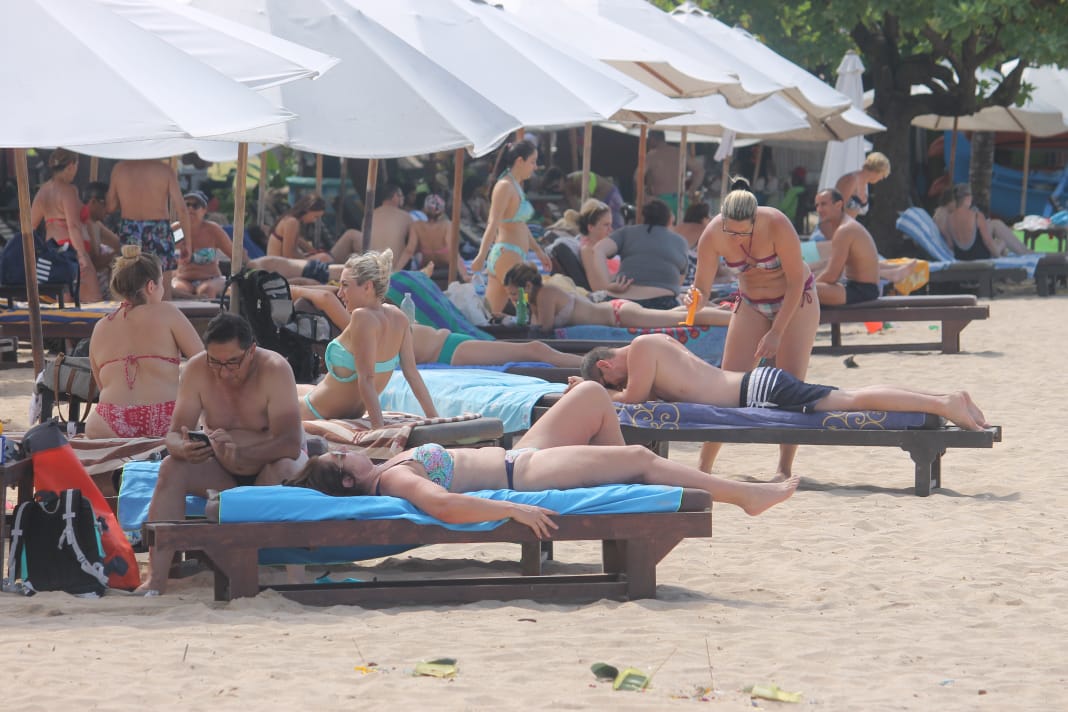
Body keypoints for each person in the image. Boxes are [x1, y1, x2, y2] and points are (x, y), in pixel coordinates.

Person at [285, 380, 800, 537]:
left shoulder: (381, 466)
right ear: (350, 483)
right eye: (341, 461)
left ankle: (628, 498)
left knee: (594, 395)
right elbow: (445, 506)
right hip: (526, 472)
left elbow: (313, 442)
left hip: (521, 455)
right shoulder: (394, 485)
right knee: (641, 455)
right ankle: (745, 496)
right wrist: (511, 509)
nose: (345, 454)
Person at [135, 312, 308, 595]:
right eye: (215, 362)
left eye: (233, 362)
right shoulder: (196, 370)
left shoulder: (275, 369)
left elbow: (289, 442)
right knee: (170, 467)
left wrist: (243, 453)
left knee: (288, 469)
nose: (224, 372)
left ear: (251, 350)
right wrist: (184, 448)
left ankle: (295, 577)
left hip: (269, 470)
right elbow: (174, 434)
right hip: (220, 470)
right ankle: (156, 579)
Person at [576, 334, 989, 431]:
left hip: (757, 391)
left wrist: (591, 394)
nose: (614, 384)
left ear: (606, 368)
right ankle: (942, 398)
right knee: (848, 396)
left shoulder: (642, 347)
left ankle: (943, 403)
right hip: (757, 386)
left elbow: (632, 398)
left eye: (606, 381)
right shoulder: (655, 346)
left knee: (851, 399)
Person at [690, 177, 820, 479]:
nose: (735, 238)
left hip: (795, 298)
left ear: (754, 219)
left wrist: (777, 332)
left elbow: (795, 280)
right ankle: (703, 466)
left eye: (742, 232)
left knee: (790, 382)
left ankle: (784, 467)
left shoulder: (776, 223)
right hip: (751, 302)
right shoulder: (712, 235)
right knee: (726, 384)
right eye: (730, 231)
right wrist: (693, 299)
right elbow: (701, 289)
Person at [297, 250, 438, 427]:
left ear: (367, 287)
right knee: (296, 387)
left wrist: (378, 430)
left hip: (314, 411)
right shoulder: (399, 317)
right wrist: (434, 418)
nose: (340, 293)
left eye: (345, 285)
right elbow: (412, 374)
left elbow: (366, 379)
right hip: (327, 403)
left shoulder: (362, 317)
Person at [287, 283, 582, 368]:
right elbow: (326, 296)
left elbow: (326, 291)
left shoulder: (366, 314)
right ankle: (591, 367)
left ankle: (592, 365)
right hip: (447, 352)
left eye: (345, 288)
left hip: (448, 343)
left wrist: (296, 287)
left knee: (534, 350)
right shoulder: (357, 324)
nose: (341, 294)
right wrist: (294, 290)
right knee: (533, 350)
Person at [85, 246, 204, 439]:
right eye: (161, 283)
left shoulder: (101, 326)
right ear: (151, 286)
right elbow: (202, 361)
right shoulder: (167, 312)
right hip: (164, 416)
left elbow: (100, 383)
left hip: (109, 421)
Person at [504, 263, 731, 331]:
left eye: (516, 294)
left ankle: (732, 319)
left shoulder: (546, 293)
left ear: (527, 286)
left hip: (617, 314)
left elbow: (543, 328)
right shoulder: (536, 299)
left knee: (680, 320)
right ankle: (724, 311)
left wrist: (519, 311)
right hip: (616, 310)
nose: (514, 300)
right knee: (673, 314)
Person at [470, 141, 553, 313]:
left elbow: (520, 224)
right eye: (532, 161)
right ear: (520, 161)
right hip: (507, 255)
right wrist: (480, 256)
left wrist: (538, 250)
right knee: (525, 308)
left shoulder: (515, 186)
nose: (535, 167)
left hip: (509, 255)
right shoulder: (505, 186)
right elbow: (492, 223)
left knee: (491, 313)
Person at [106, 158, 192, 300]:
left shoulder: (120, 168)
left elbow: (110, 206)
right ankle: (161, 320)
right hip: (158, 229)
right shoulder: (165, 170)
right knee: (162, 287)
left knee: (128, 284)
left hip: (131, 228)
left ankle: (127, 320)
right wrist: (188, 243)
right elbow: (182, 209)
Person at [586, 199, 689, 309]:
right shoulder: (680, 241)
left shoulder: (626, 232)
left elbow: (598, 249)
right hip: (663, 304)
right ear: (669, 221)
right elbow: (678, 282)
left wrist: (607, 285)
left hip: (621, 302)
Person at [28, 149, 101, 303]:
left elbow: (30, 227)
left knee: (62, 307)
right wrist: (82, 255)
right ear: (71, 165)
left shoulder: (42, 192)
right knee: (92, 303)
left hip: (52, 254)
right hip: (72, 251)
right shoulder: (68, 190)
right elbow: (73, 226)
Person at [812, 189, 881, 305]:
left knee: (800, 291)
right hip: (852, 286)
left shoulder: (845, 230)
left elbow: (832, 275)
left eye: (823, 204)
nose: (819, 209)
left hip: (862, 291)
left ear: (839, 205)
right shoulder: (843, 227)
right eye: (817, 205)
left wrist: (810, 286)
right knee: (802, 289)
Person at [933, 184, 1033, 259]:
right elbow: (950, 241)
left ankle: (1023, 252)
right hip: (968, 249)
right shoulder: (942, 213)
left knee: (997, 233)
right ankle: (1024, 253)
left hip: (967, 247)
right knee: (996, 225)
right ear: (950, 201)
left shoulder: (945, 212)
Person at [171, 191, 234, 299]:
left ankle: (212, 315)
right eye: (187, 205)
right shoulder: (175, 230)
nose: (190, 209)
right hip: (183, 279)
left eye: (195, 206)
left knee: (206, 290)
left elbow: (234, 254)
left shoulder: (213, 230)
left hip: (212, 279)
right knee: (178, 289)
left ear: (204, 210)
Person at [637, 130, 705, 216]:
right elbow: (700, 171)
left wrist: (644, 196)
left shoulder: (651, 156)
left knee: (660, 229)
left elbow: (637, 177)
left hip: (660, 204)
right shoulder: (679, 153)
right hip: (681, 201)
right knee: (680, 229)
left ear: (652, 139)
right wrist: (692, 190)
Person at [398, 193, 465, 278]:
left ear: (425, 210)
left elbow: (409, 251)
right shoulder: (447, 225)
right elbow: (453, 251)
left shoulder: (416, 226)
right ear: (442, 211)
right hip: (445, 264)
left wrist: (395, 271)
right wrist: (464, 274)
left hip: (427, 264)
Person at [543, 167, 626, 229]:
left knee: (616, 227)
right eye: (552, 189)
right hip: (601, 202)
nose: (556, 190)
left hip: (610, 196)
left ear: (562, 178)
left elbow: (584, 208)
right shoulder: (568, 189)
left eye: (556, 186)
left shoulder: (578, 180)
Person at [266, 193, 333, 269]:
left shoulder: (292, 220)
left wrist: (311, 255)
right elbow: (288, 256)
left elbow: (300, 246)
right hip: (278, 268)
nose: (314, 221)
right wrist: (307, 259)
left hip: (280, 264)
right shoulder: (292, 222)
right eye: (315, 217)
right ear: (308, 210)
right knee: (325, 258)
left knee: (324, 257)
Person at [82, 181, 122, 299]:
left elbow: (120, 244)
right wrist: (115, 256)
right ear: (93, 201)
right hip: (87, 287)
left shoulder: (96, 224)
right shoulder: (84, 224)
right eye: (106, 204)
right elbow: (93, 263)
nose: (110, 209)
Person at [367, 184, 414, 268]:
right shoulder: (406, 217)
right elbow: (411, 248)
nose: (403, 199)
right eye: (402, 196)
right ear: (395, 196)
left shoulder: (369, 216)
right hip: (395, 270)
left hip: (372, 268)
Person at [835, 152, 891, 219]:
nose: (881, 178)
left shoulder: (864, 184)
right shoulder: (851, 180)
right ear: (877, 170)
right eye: (883, 175)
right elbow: (836, 208)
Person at [674, 201, 712, 284]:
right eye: (709, 217)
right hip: (688, 280)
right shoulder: (704, 231)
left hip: (670, 276)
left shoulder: (677, 227)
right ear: (703, 218)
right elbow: (716, 267)